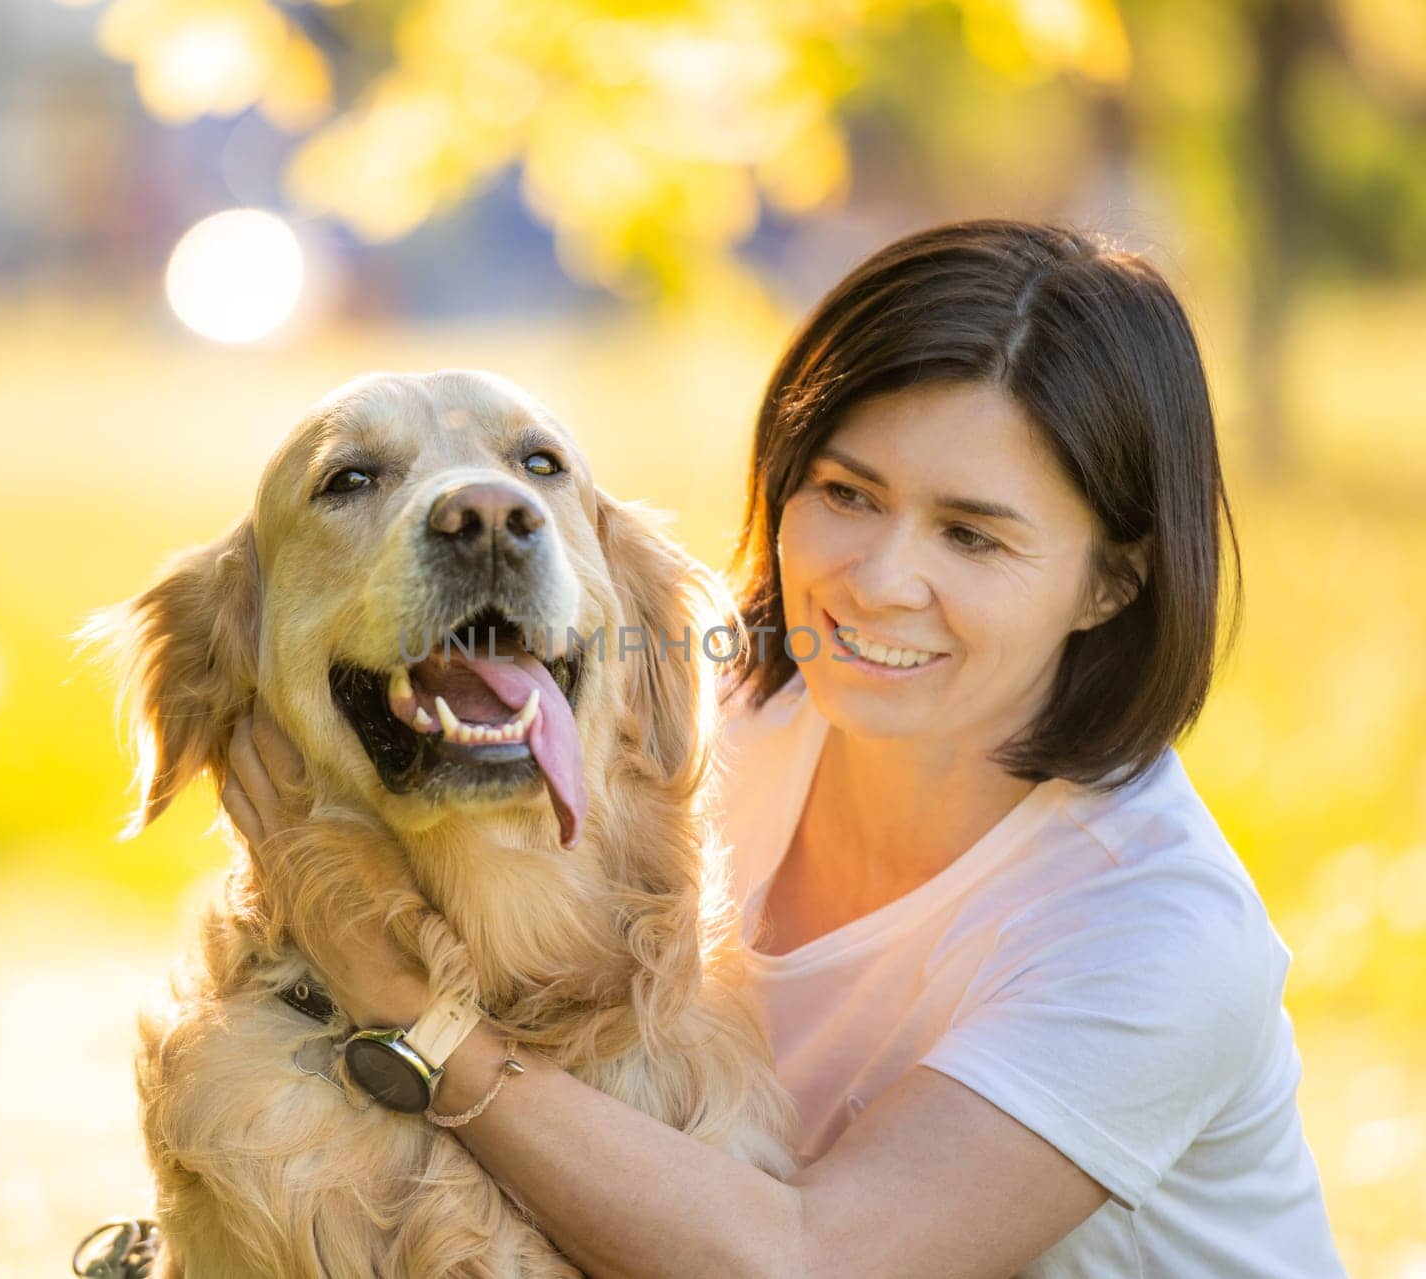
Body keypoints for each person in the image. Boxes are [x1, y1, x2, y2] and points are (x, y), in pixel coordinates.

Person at [224, 219, 1346, 1277]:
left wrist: (412, 1018)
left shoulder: (1156, 931)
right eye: (847, 494)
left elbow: (807, 1258)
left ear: (1109, 580)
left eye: (971, 535)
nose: (877, 580)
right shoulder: (718, 716)